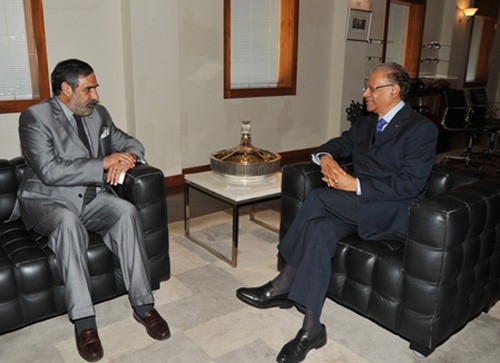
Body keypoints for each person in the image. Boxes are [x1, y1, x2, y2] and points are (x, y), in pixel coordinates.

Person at [236, 62, 439, 363]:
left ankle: (283, 281)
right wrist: (327, 158)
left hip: (391, 212)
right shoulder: (367, 123)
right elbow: (336, 144)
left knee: (318, 198)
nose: (365, 92)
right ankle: (311, 329)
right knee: (319, 230)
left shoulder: (421, 130)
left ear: (394, 91)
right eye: (366, 86)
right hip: (358, 208)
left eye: (372, 87)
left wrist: (354, 184)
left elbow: (410, 185)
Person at [12, 59, 170, 362]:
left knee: (126, 212)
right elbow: (49, 171)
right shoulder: (34, 118)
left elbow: (131, 143)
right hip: (47, 200)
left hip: (90, 197)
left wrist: (125, 158)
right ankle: (84, 322)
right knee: (68, 222)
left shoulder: (99, 115)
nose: (96, 95)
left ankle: (143, 305)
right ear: (66, 89)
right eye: (89, 89)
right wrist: (103, 164)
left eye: (95, 88)